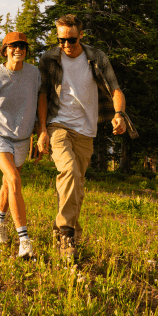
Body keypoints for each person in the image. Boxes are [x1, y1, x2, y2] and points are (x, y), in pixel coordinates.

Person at [37, 14, 138, 260]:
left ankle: (59, 227)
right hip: (58, 124)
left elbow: (115, 89)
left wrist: (119, 115)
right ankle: (67, 234)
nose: (66, 45)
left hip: (86, 129)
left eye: (71, 40)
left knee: (77, 185)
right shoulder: (49, 59)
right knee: (69, 171)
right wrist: (41, 130)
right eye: (61, 40)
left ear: (81, 35)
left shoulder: (96, 57)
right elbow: (42, 94)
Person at [0, 31, 45, 258]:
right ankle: (24, 241)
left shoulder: (34, 74)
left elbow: (41, 98)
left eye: (22, 46)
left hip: (22, 138)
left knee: (7, 184)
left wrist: (41, 131)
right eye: (13, 46)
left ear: (26, 50)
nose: (18, 50)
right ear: (5, 50)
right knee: (14, 179)